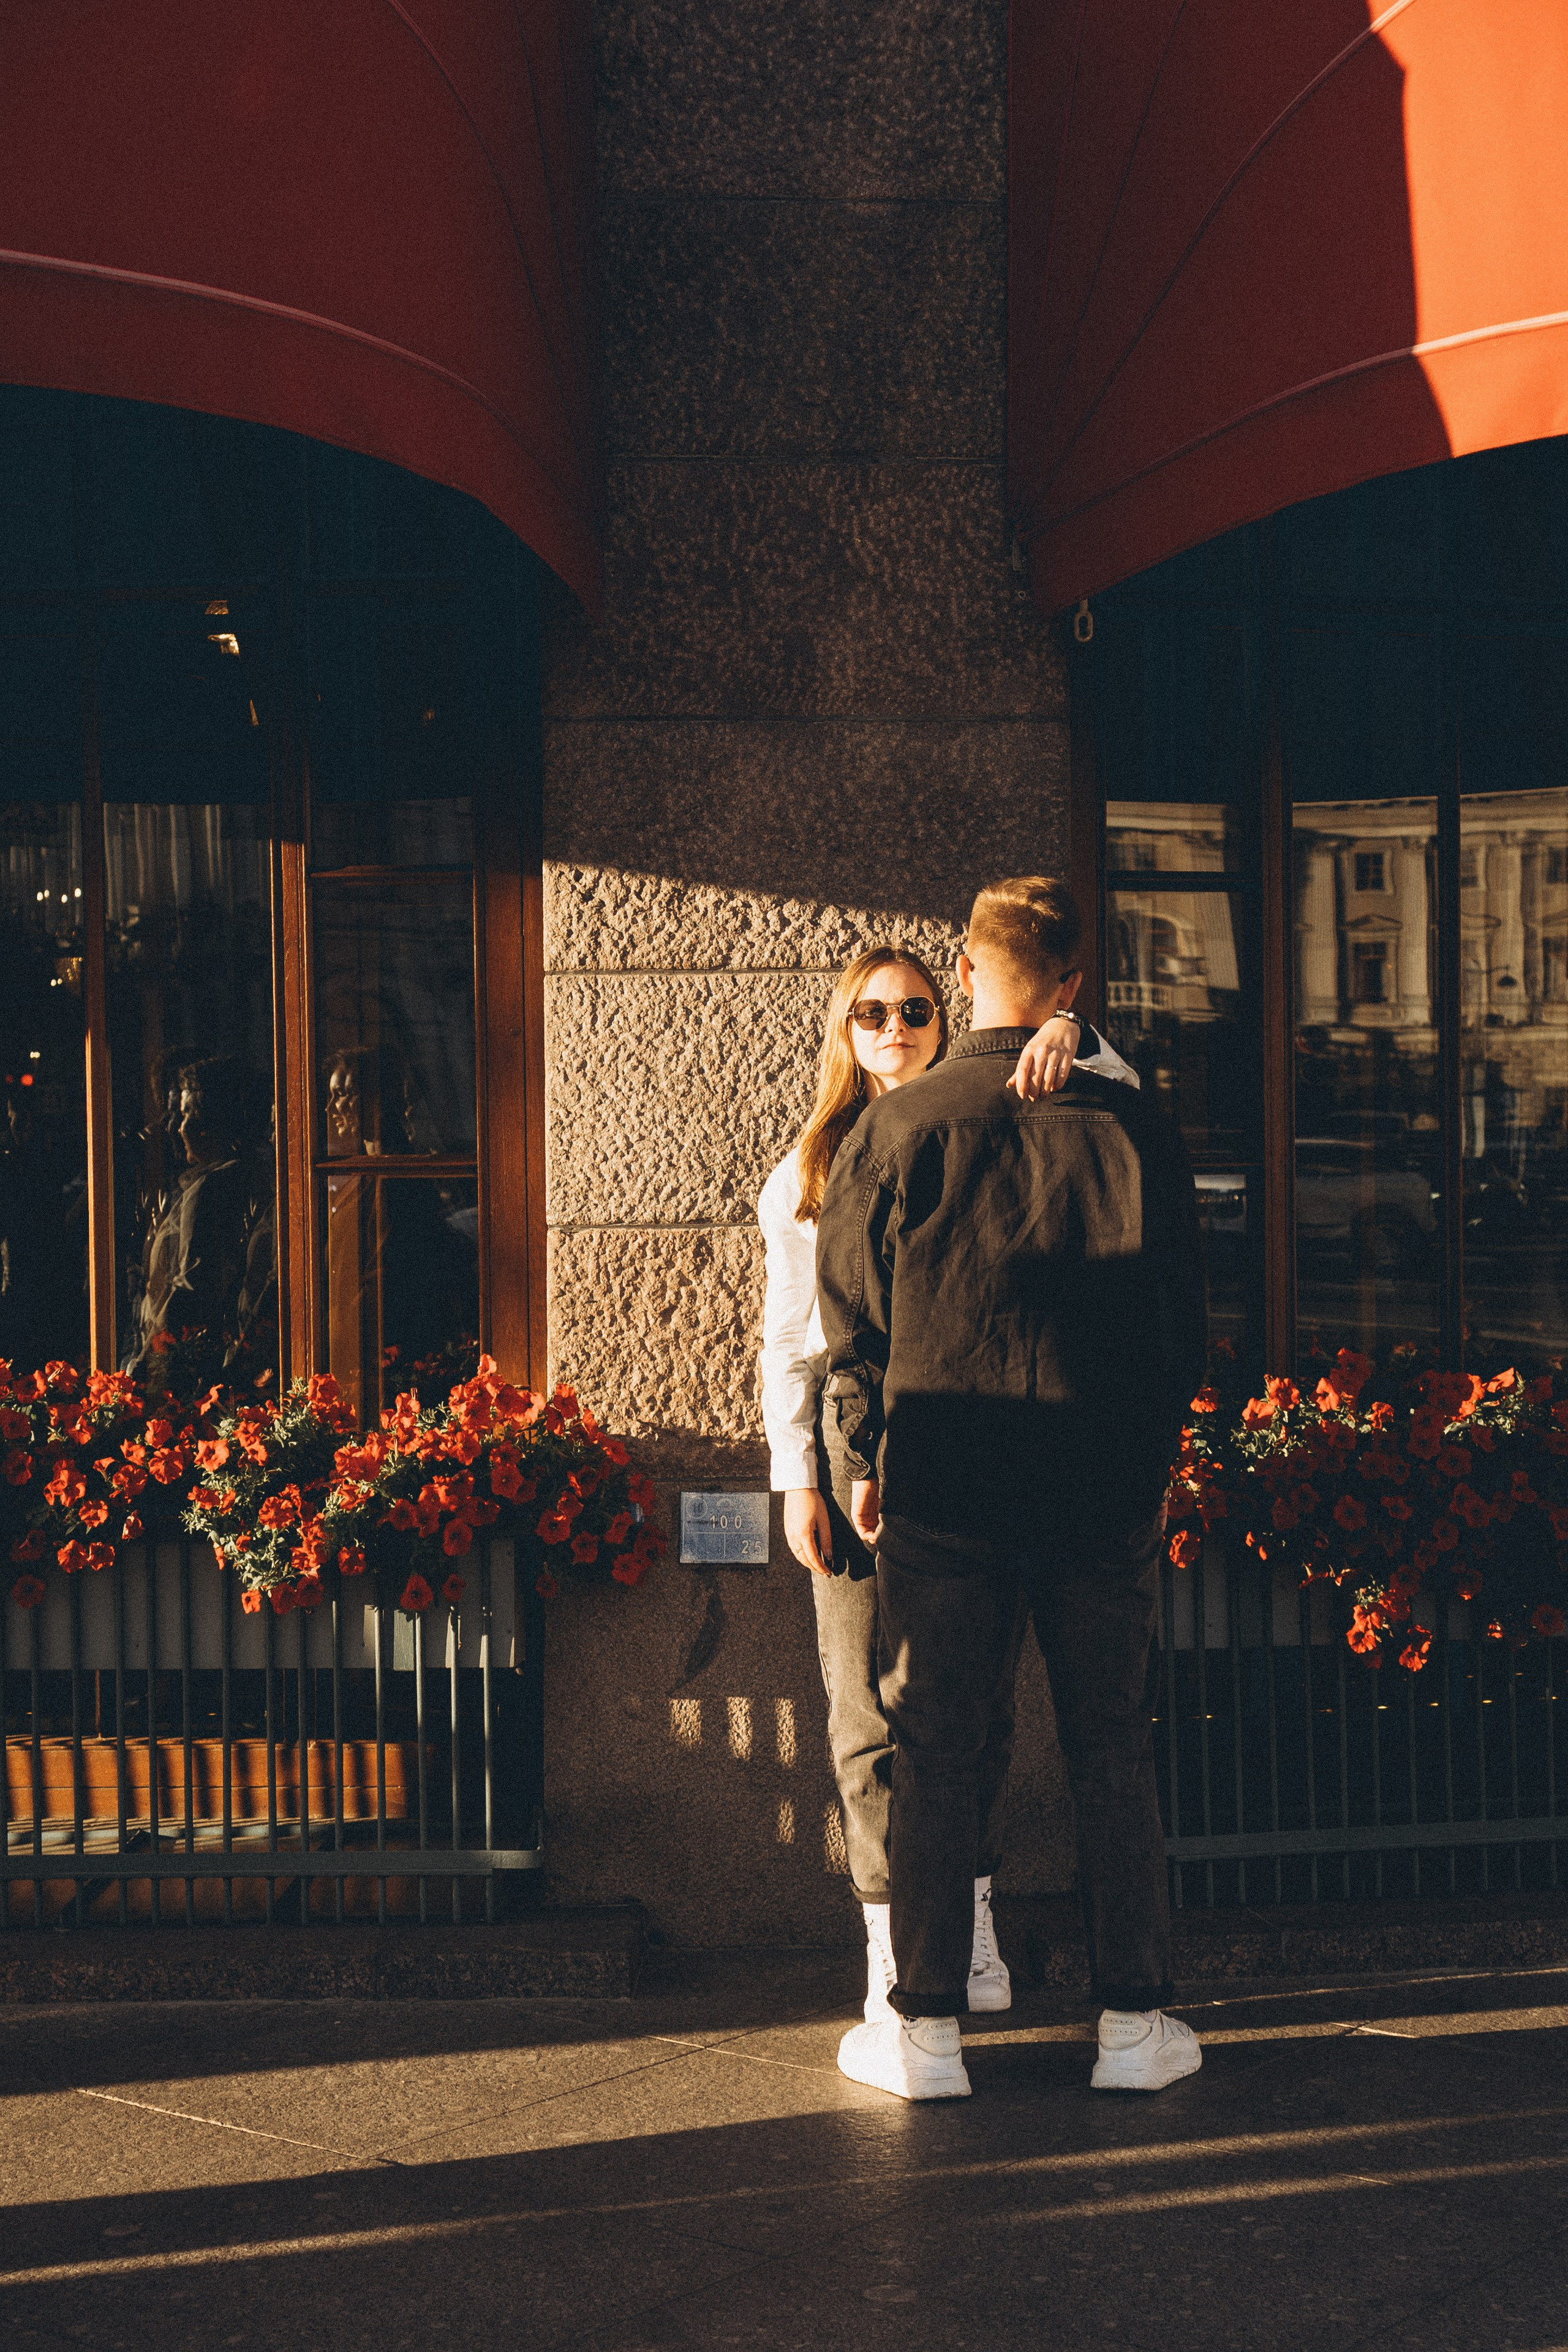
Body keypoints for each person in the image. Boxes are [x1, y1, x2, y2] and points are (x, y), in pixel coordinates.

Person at [815, 876, 1207, 2102]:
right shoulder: (1131, 1126)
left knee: (935, 1749)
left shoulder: (902, 1124)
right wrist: (1140, 1456)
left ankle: (924, 2033)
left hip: (949, 1483)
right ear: (1073, 987)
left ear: (966, 970)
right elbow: (1181, 1330)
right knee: (1110, 1750)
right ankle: (1131, 2027)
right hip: (1094, 1486)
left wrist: (860, 1462)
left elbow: (851, 1331)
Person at [758, 941, 1136, 2026]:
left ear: (949, 1010)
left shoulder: (1003, 1115)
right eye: (869, 1012)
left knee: (973, 1710)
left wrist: (1080, 1034)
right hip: (855, 1457)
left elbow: (1130, 1106)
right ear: (845, 1029)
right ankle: (891, 1954)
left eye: (915, 1008)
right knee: (865, 1708)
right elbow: (791, 1340)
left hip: (969, 1456)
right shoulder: (814, 1167)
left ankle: (966, 1937)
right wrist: (801, 1479)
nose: (892, 1027)